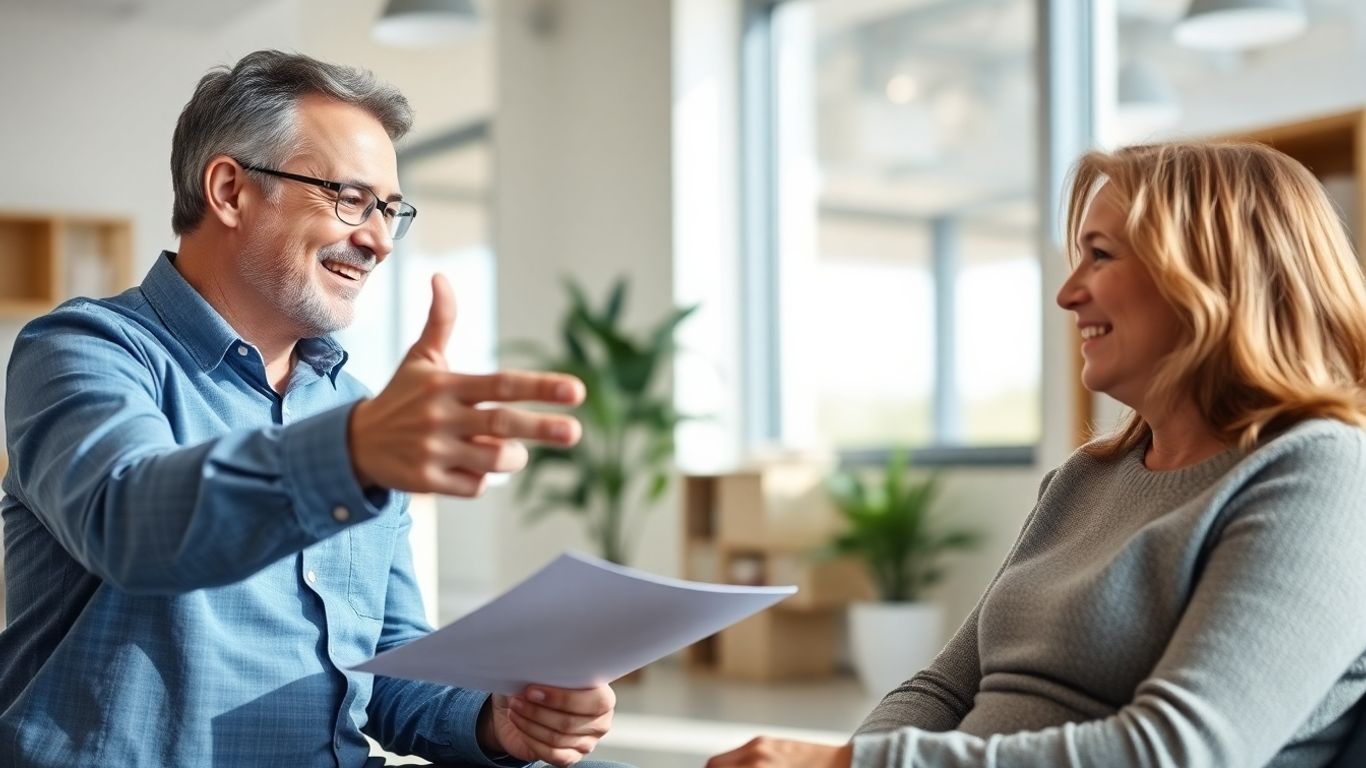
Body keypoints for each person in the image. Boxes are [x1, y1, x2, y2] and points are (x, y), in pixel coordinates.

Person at [0, 50, 632, 768]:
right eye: (352, 199)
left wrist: (499, 722)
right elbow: (130, 521)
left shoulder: (354, 410)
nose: (380, 240)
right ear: (231, 190)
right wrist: (350, 453)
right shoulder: (86, 349)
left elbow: (390, 670)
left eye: (391, 210)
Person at [706, 141, 1366, 767]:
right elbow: (939, 692)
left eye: (1100, 255)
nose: (1067, 293)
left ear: (1212, 276)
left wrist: (854, 764)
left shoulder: (1323, 473)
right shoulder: (1084, 479)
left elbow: (1177, 752)